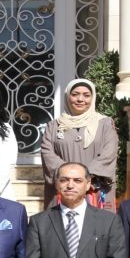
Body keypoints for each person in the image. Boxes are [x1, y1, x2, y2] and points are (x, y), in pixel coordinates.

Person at [40, 79, 120, 211]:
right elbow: (47, 152)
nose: (80, 99)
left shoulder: (105, 124)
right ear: (67, 96)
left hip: (94, 186)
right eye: (75, 94)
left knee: (98, 222)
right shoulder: (54, 126)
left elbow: (109, 152)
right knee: (59, 222)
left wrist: (86, 177)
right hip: (64, 187)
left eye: (86, 95)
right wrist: (69, 177)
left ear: (93, 98)